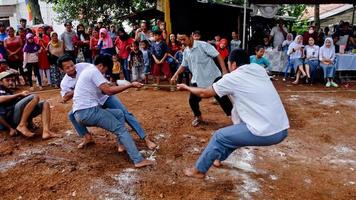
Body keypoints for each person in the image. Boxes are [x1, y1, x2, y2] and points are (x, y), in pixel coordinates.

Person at [178, 49, 289, 179]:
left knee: (219, 136)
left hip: (267, 132)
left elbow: (204, 93)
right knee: (233, 134)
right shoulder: (259, 70)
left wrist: (187, 87)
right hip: (282, 128)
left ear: (234, 64)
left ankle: (198, 170)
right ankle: (217, 158)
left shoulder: (233, 77)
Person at [69, 54, 154, 167]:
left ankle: (122, 144)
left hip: (80, 113)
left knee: (119, 113)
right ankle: (138, 160)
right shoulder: (94, 71)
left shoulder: (88, 70)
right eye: (105, 70)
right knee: (121, 130)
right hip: (89, 112)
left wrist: (118, 85)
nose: (104, 73)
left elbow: (104, 90)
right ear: (100, 66)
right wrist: (129, 85)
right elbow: (108, 91)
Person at [172, 31, 233, 127]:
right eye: (180, 40)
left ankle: (234, 118)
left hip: (213, 77)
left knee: (223, 99)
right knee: (192, 100)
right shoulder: (186, 51)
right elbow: (184, 65)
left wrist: (224, 71)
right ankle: (198, 117)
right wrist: (175, 74)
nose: (182, 42)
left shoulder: (203, 45)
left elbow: (217, 55)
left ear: (191, 36)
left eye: (184, 39)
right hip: (197, 79)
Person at [0, 71, 55, 139]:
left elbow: (26, 107)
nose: (11, 82)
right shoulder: (1, 89)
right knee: (34, 97)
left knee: (45, 103)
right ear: (1, 82)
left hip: (14, 117)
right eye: (7, 80)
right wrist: (10, 128)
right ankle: (22, 125)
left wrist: (30, 123)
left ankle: (46, 132)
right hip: (11, 122)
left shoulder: (8, 91)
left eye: (12, 80)